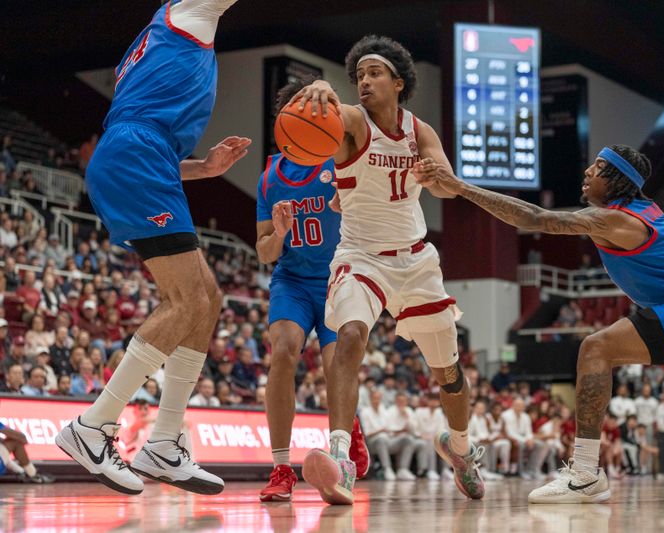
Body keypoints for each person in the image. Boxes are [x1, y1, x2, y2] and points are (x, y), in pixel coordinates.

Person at [416, 143, 664, 504]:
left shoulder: (613, 218)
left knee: (596, 348)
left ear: (616, 180)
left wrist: (460, 187)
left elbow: (535, 219)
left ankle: (584, 474)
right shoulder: (650, 212)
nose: (587, 171)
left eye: (596, 168)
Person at [54, 0, 248, 496]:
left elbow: (138, 133)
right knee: (184, 300)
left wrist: (201, 170)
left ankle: (164, 442)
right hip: (136, 157)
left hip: (145, 158)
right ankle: (92, 426)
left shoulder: (163, 33)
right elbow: (135, 136)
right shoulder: (191, 13)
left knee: (207, 298)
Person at [295, 34, 483, 505]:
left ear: (398, 82)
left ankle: (459, 449)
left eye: (374, 73)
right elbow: (332, 111)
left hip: (417, 261)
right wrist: (319, 88)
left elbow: (445, 188)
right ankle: (341, 457)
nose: (364, 82)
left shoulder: (420, 132)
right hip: (360, 257)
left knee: (449, 373)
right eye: (358, 75)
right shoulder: (354, 122)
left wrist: (436, 176)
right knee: (352, 335)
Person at [255, 77, 368, 503]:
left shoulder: (340, 157)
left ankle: (344, 450)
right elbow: (265, 252)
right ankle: (281, 468)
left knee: (336, 367)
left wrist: (326, 87)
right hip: (294, 281)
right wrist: (279, 233)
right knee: (283, 350)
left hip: (341, 277)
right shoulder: (269, 177)